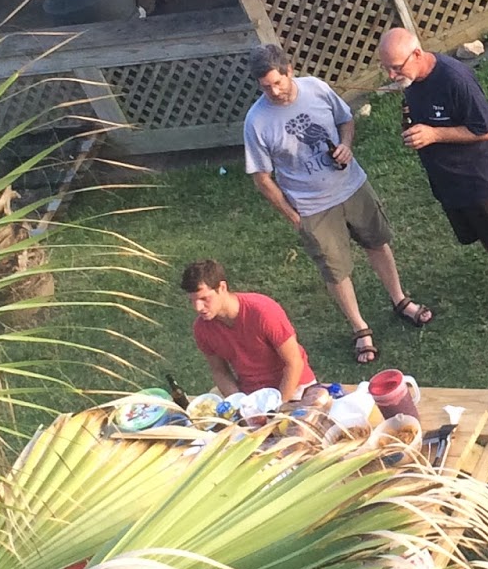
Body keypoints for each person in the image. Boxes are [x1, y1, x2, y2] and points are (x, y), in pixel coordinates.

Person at [243, 44, 432, 366]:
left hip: (352, 186)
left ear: (289, 71)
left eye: (277, 82)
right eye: (265, 87)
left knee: (377, 242)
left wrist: (346, 145)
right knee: (335, 270)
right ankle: (360, 329)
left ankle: (400, 300)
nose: (273, 91)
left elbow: (345, 120)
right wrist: (293, 216)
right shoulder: (257, 121)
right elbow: (262, 177)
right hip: (312, 207)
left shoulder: (316, 89)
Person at [376, 28, 488, 333]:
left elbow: (486, 130)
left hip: (480, 178)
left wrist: (434, 134)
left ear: (416, 54)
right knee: (486, 238)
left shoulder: (455, 79)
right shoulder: (412, 81)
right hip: (449, 183)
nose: (391, 75)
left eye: (396, 67)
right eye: (386, 68)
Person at [183, 259, 315, 401]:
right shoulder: (202, 328)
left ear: (222, 287)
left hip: (293, 388)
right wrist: (238, 402)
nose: (198, 307)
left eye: (204, 298)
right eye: (192, 300)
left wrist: (277, 405)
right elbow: (220, 371)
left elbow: (294, 362)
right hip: (251, 394)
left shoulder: (262, 311)